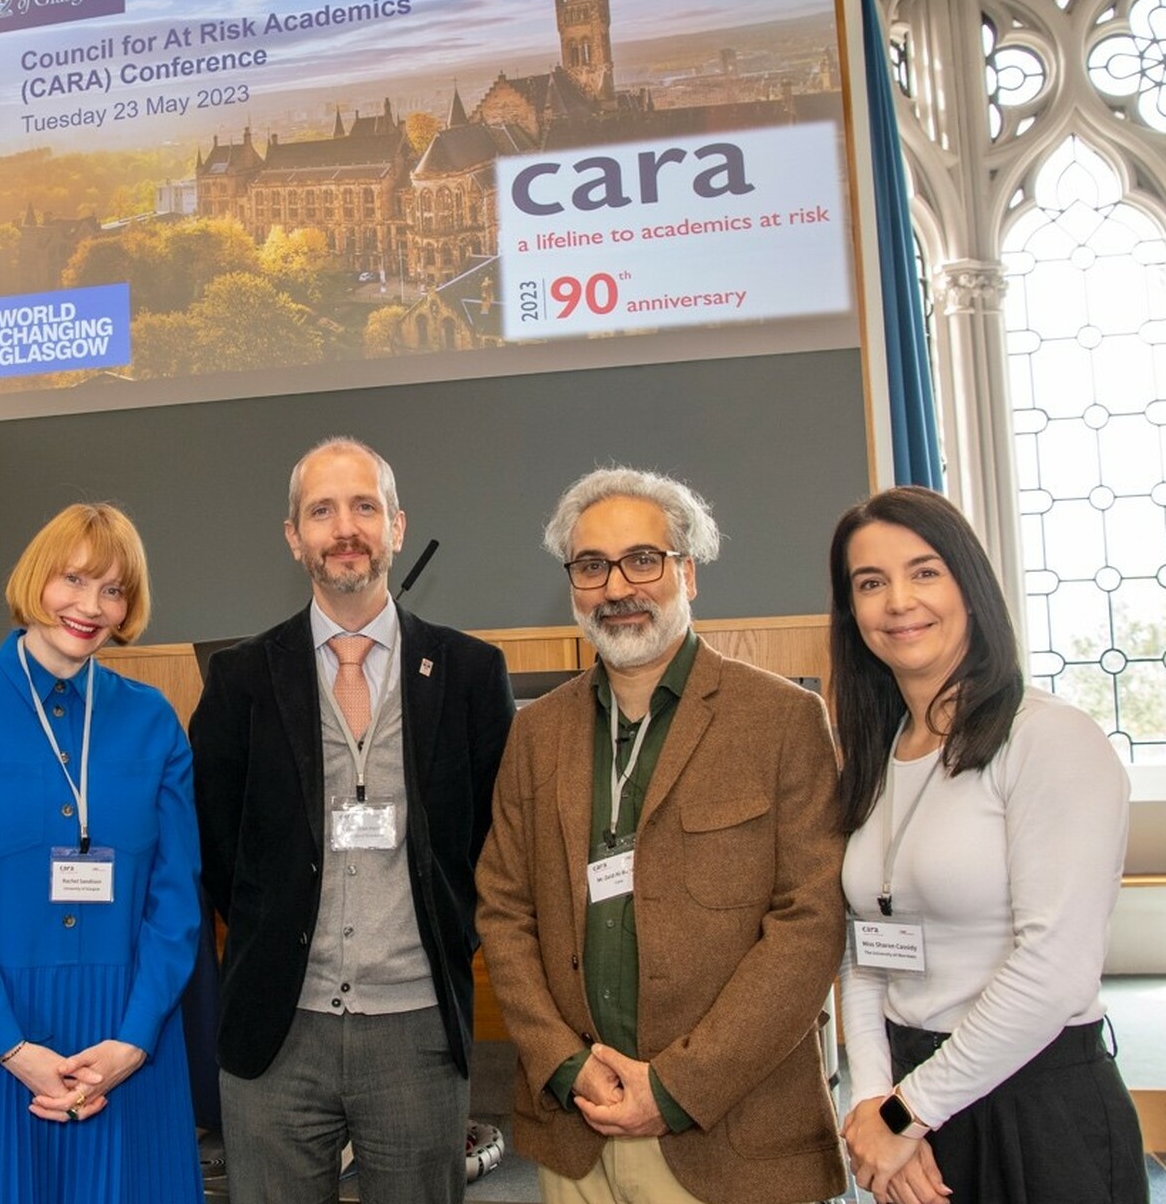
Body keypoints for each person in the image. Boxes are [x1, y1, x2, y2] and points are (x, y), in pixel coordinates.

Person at [476, 467, 847, 1204]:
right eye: (591, 566)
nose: (617, 587)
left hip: (729, 1135)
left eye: (642, 559)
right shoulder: (536, 735)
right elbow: (502, 910)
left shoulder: (782, 723)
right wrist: (563, 1062)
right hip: (577, 1131)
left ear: (688, 572)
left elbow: (811, 924)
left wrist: (676, 1086)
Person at [190, 436, 515, 1202]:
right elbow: (215, 845)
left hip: (417, 1032)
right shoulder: (240, 680)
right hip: (277, 1032)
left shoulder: (469, 674)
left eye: (365, 507)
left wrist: (450, 931)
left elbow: (493, 842)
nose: (346, 528)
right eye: (322, 510)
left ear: (397, 527)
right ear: (293, 535)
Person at [830, 485, 1145, 1204]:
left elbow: (1053, 970)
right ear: (853, 613)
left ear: (969, 586)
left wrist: (908, 1112)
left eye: (925, 571)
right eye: (870, 583)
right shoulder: (874, 761)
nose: (899, 601)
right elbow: (863, 948)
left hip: (1035, 1107)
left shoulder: (1049, 739)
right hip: (916, 1110)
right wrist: (876, 1102)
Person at [0, 503, 204, 1203]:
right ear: (36, 579)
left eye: (113, 590)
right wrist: (10, 1045)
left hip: (120, 1038)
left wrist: (133, 1039)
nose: (90, 606)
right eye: (74, 579)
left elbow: (177, 898)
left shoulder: (154, 721)